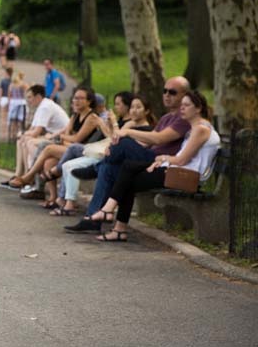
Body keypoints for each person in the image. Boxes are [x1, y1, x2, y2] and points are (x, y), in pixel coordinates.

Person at [65, 76, 192, 233]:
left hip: (159, 164)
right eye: (164, 91)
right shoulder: (166, 117)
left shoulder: (184, 118)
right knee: (109, 168)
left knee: (123, 143)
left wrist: (127, 133)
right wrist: (115, 147)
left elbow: (159, 139)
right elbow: (147, 143)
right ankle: (91, 219)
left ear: (185, 95)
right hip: (147, 158)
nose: (166, 95)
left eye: (172, 92)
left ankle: (95, 168)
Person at [92, 91, 220, 242]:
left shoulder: (201, 129)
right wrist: (161, 161)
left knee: (127, 179)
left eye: (186, 105)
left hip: (186, 176)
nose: (182, 108)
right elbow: (181, 158)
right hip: (178, 171)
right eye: (182, 105)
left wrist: (164, 158)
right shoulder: (196, 128)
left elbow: (181, 160)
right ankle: (113, 219)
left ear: (198, 108)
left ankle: (112, 217)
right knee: (128, 169)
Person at [1, 84, 69, 188]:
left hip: (60, 138)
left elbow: (36, 132)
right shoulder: (41, 106)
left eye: (30, 97)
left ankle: (29, 176)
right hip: (52, 136)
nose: (28, 100)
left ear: (38, 97)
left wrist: (23, 134)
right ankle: (19, 174)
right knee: (21, 140)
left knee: (27, 141)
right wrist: (23, 134)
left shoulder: (45, 107)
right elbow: (32, 129)